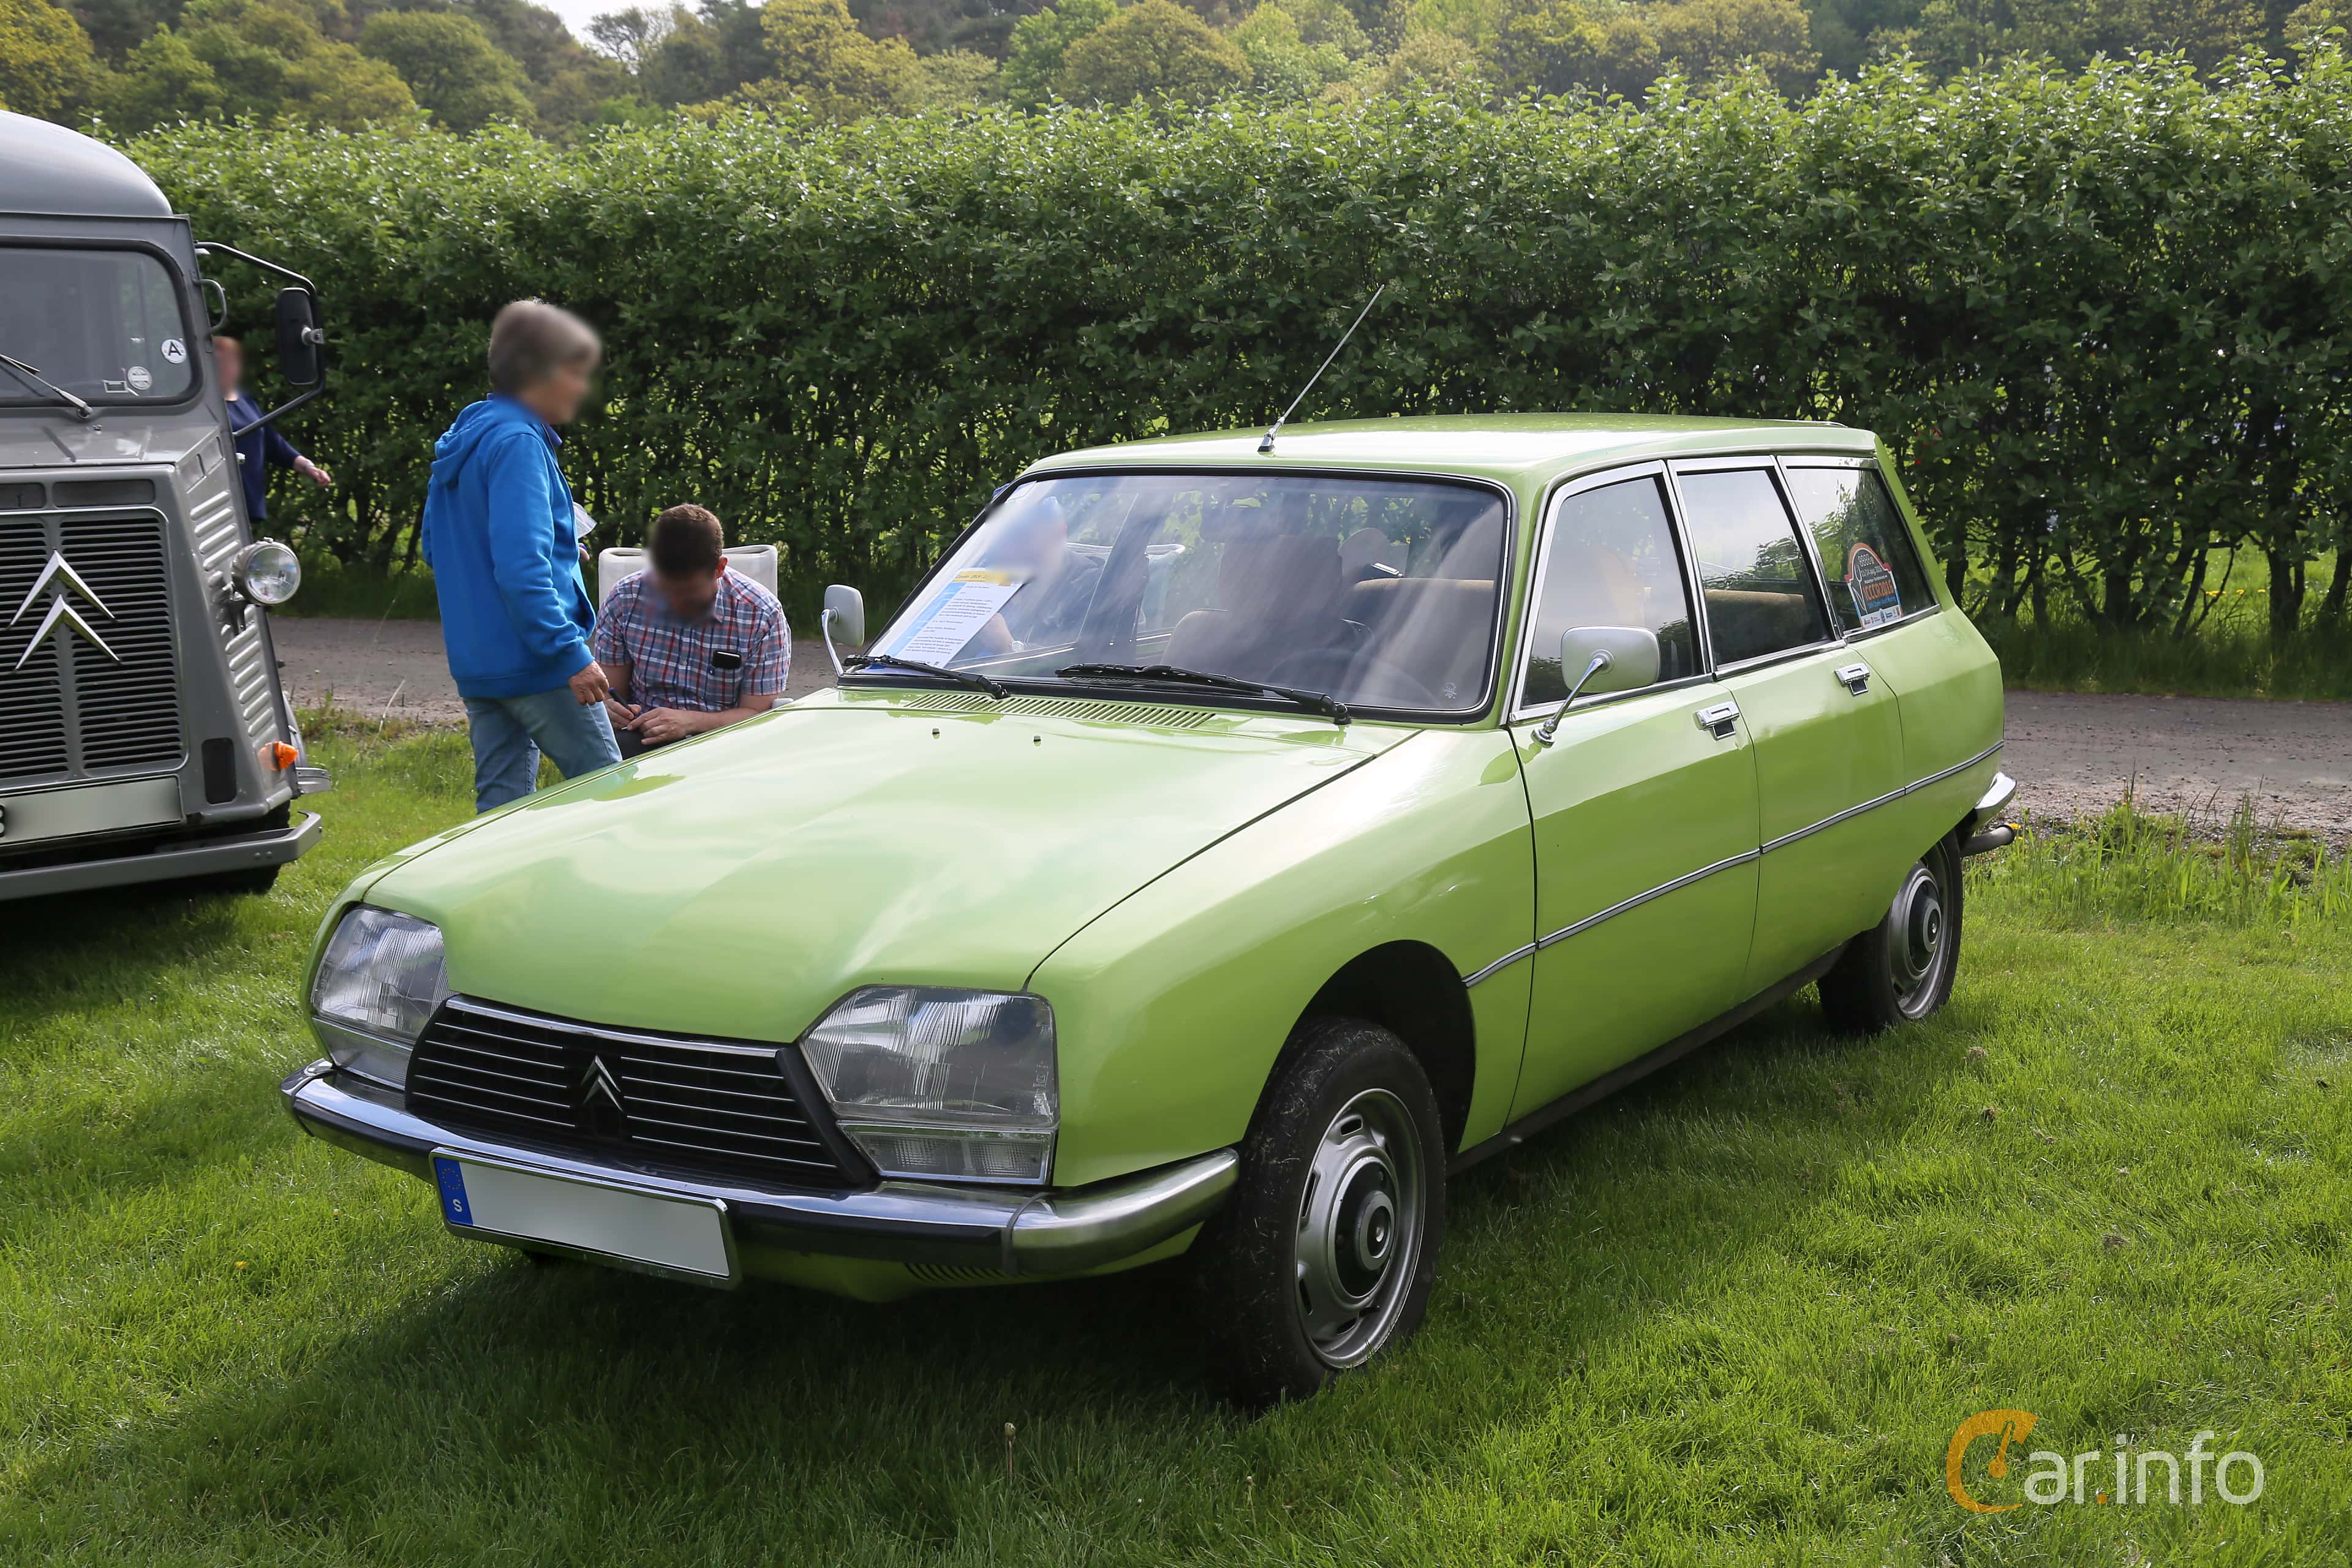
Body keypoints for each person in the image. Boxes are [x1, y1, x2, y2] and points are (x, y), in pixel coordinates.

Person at [420, 300, 621, 813]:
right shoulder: (518, 444)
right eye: (575, 374)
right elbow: (520, 568)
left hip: (480, 662)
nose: (582, 388)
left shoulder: (469, 437)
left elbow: (436, 547)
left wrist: (558, 546)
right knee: (613, 795)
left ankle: (496, 896)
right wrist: (569, 654)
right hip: (538, 662)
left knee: (502, 812)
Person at [593, 503, 791, 758]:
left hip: (722, 742)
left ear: (720, 568)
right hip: (639, 737)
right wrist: (611, 708)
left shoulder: (762, 614)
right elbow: (612, 691)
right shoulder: (625, 598)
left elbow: (756, 715)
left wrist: (690, 722)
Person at [216, 334, 331, 522]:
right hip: (218, 510)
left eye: (232, 362)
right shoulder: (202, 407)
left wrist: (308, 467)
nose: (229, 368)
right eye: (221, 363)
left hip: (250, 510)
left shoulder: (245, 401)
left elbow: (273, 443)